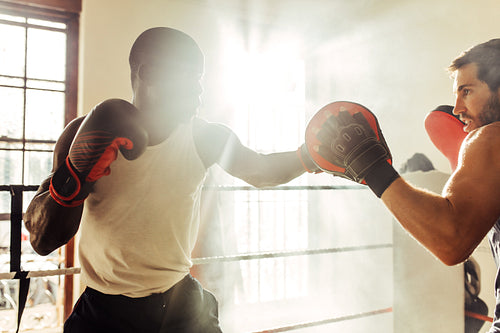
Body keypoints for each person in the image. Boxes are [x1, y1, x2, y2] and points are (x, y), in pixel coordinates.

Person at [24, 27, 319, 333]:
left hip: (182, 305)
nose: (199, 91)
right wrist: (76, 172)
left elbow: (261, 169)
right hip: (104, 312)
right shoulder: (79, 134)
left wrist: (313, 155)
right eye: (189, 77)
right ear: (149, 73)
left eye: (200, 79)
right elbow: (43, 239)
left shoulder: (203, 137)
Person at [312, 38, 500, 332]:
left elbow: (452, 241)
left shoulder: (492, 137)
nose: (457, 108)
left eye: (467, 91)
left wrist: (372, 169)